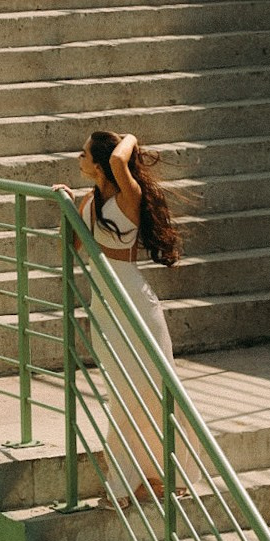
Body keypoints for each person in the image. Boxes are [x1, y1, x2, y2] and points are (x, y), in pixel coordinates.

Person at [54, 130, 181, 506]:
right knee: (123, 393)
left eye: (83, 154)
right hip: (104, 307)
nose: (78, 158)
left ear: (99, 163)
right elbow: (73, 246)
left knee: (152, 391)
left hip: (136, 305)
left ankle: (143, 480)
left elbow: (119, 159)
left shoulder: (130, 195)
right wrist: (68, 204)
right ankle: (140, 479)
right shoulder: (90, 203)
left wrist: (128, 136)